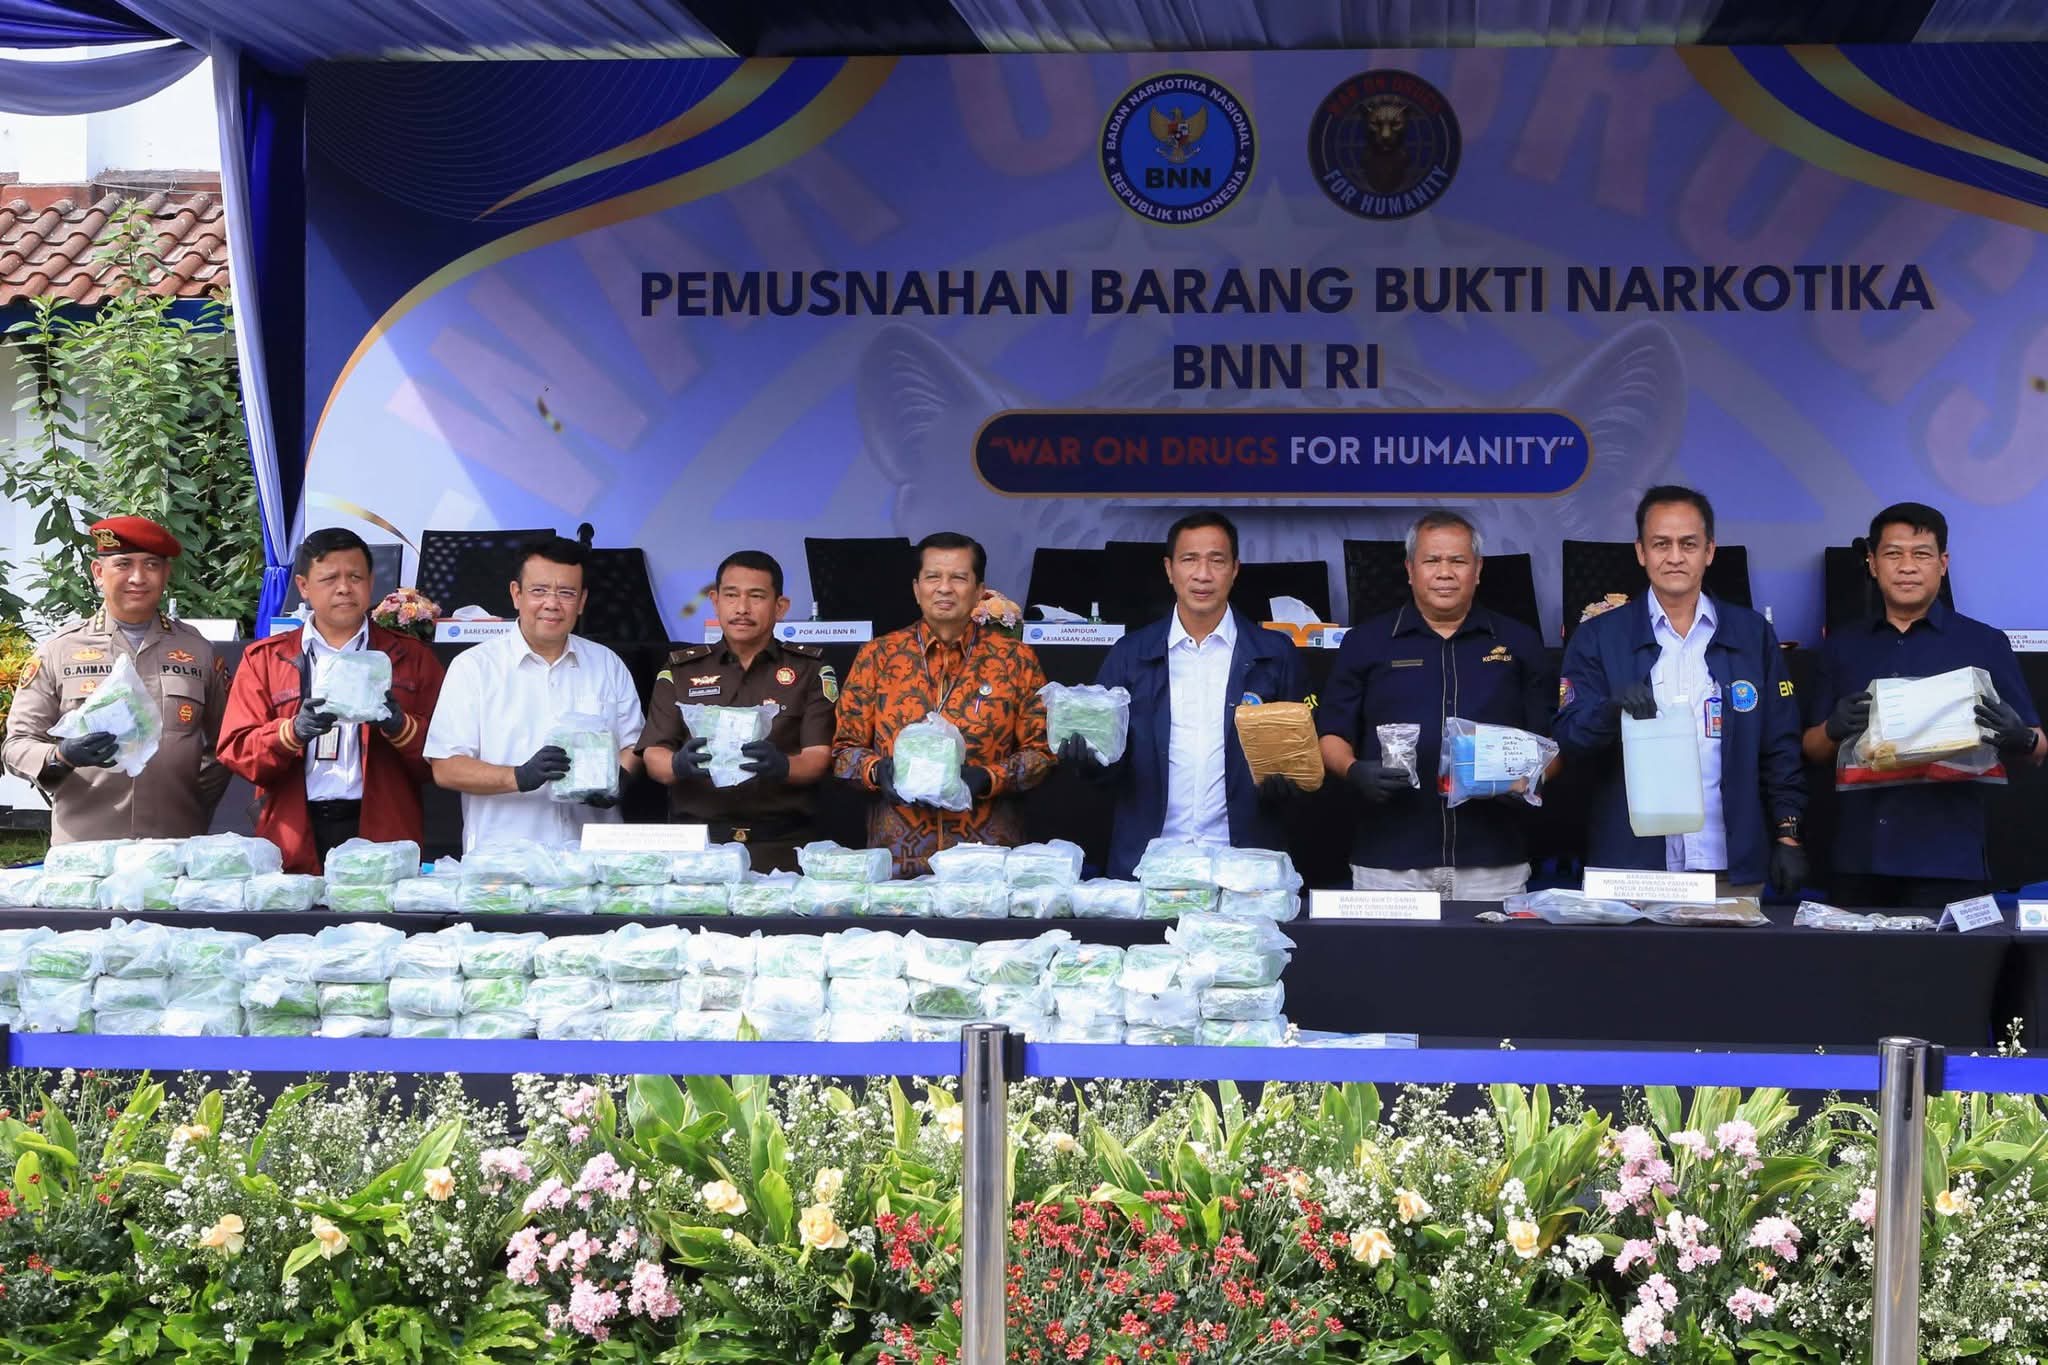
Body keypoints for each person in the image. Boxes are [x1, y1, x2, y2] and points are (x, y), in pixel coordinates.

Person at [1554, 486, 1807, 896]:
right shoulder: (1599, 636)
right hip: (1631, 870)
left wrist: (1787, 834)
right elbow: (1568, 737)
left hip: (1729, 864)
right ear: (1641, 552)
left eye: (1688, 544)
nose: (1675, 557)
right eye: (1661, 544)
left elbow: (1780, 745)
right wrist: (1610, 711)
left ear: (1709, 551)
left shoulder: (1751, 634)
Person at [1802, 502, 2042, 908]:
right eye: (1893, 554)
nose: (1907, 567)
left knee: (1952, 955)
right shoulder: (1842, 645)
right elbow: (1811, 749)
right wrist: (1833, 728)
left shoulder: (1984, 643)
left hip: (1951, 859)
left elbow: (2038, 747)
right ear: (1872, 563)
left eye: (1922, 554)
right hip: (1859, 859)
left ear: (1942, 564)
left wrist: (2019, 737)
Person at [1315, 510, 1554, 898]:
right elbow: (1331, 734)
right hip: (1389, 861)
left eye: (1458, 561)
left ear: (1478, 570)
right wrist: (1354, 770)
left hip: (1492, 861)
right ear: (1410, 570)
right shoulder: (1367, 642)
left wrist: (1526, 780)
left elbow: (1552, 742)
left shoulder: (1519, 642)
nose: (1445, 573)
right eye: (1432, 561)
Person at [1061, 511, 1308, 878]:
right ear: (1169, 569)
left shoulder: (1275, 653)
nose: (1202, 574)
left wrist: (1288, 784)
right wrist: (1091, 764)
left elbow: (1301, 757)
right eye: (1189, 559)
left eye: (1216, 560)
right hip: (1150, 864)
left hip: (1244, 867)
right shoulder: (1130, 654)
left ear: (1235, 569)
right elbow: (1110, 765)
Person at [217, 528, 445, 871]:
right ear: (303, 587)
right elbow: (236, 750)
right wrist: (291, 732)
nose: (344, 588)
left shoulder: (410, 657)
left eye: (355, 577)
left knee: (374, 908)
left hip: (382, 831)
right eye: (329, 578)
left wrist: (401, 727)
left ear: (371, 583)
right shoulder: (265, 659)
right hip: (292, 832)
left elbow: (446, 756)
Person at [831, 531, 1053, 875]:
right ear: (916, 588)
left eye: (958, 578)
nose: (944, 588)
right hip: (896, 866)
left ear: (979, 591)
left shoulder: (1015, 659)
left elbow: (1042, 752)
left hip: (986, 866)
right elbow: (843, 750)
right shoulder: (878, 656)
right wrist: (875, 771)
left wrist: (990, 778)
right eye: (933, 577)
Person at [2, 515, 230, 843]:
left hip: (173, 842)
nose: (138, 578)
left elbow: (227, 743)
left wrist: (190, 798)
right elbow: (17, 744)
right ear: (98, 572)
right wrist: (62, 756)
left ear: (166, 574)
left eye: (151, 565)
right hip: (85, 845)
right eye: (123, 564)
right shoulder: (60, 650)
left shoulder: (198, 651)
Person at [424, 534, 644, 852]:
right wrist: (518, 776)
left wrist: (618, 778)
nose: (552, 604)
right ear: (516, 594)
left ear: (582, 601)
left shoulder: (607, 664)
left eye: (566, 593)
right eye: (539, 591)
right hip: (504, 858)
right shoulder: (474, 667)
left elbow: (634, 744)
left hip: (594, 856)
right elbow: (446, 767)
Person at [638, 550, 838, 873]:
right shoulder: (681, 669)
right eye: (731, 595)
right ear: (715, 601)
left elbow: (819, 756)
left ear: (780, 607)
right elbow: (653, 755)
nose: (742, 608)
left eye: (756, 596)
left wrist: (784, 765)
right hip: (697, 846)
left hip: (783, 846)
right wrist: (678, 764)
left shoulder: (809, 669)